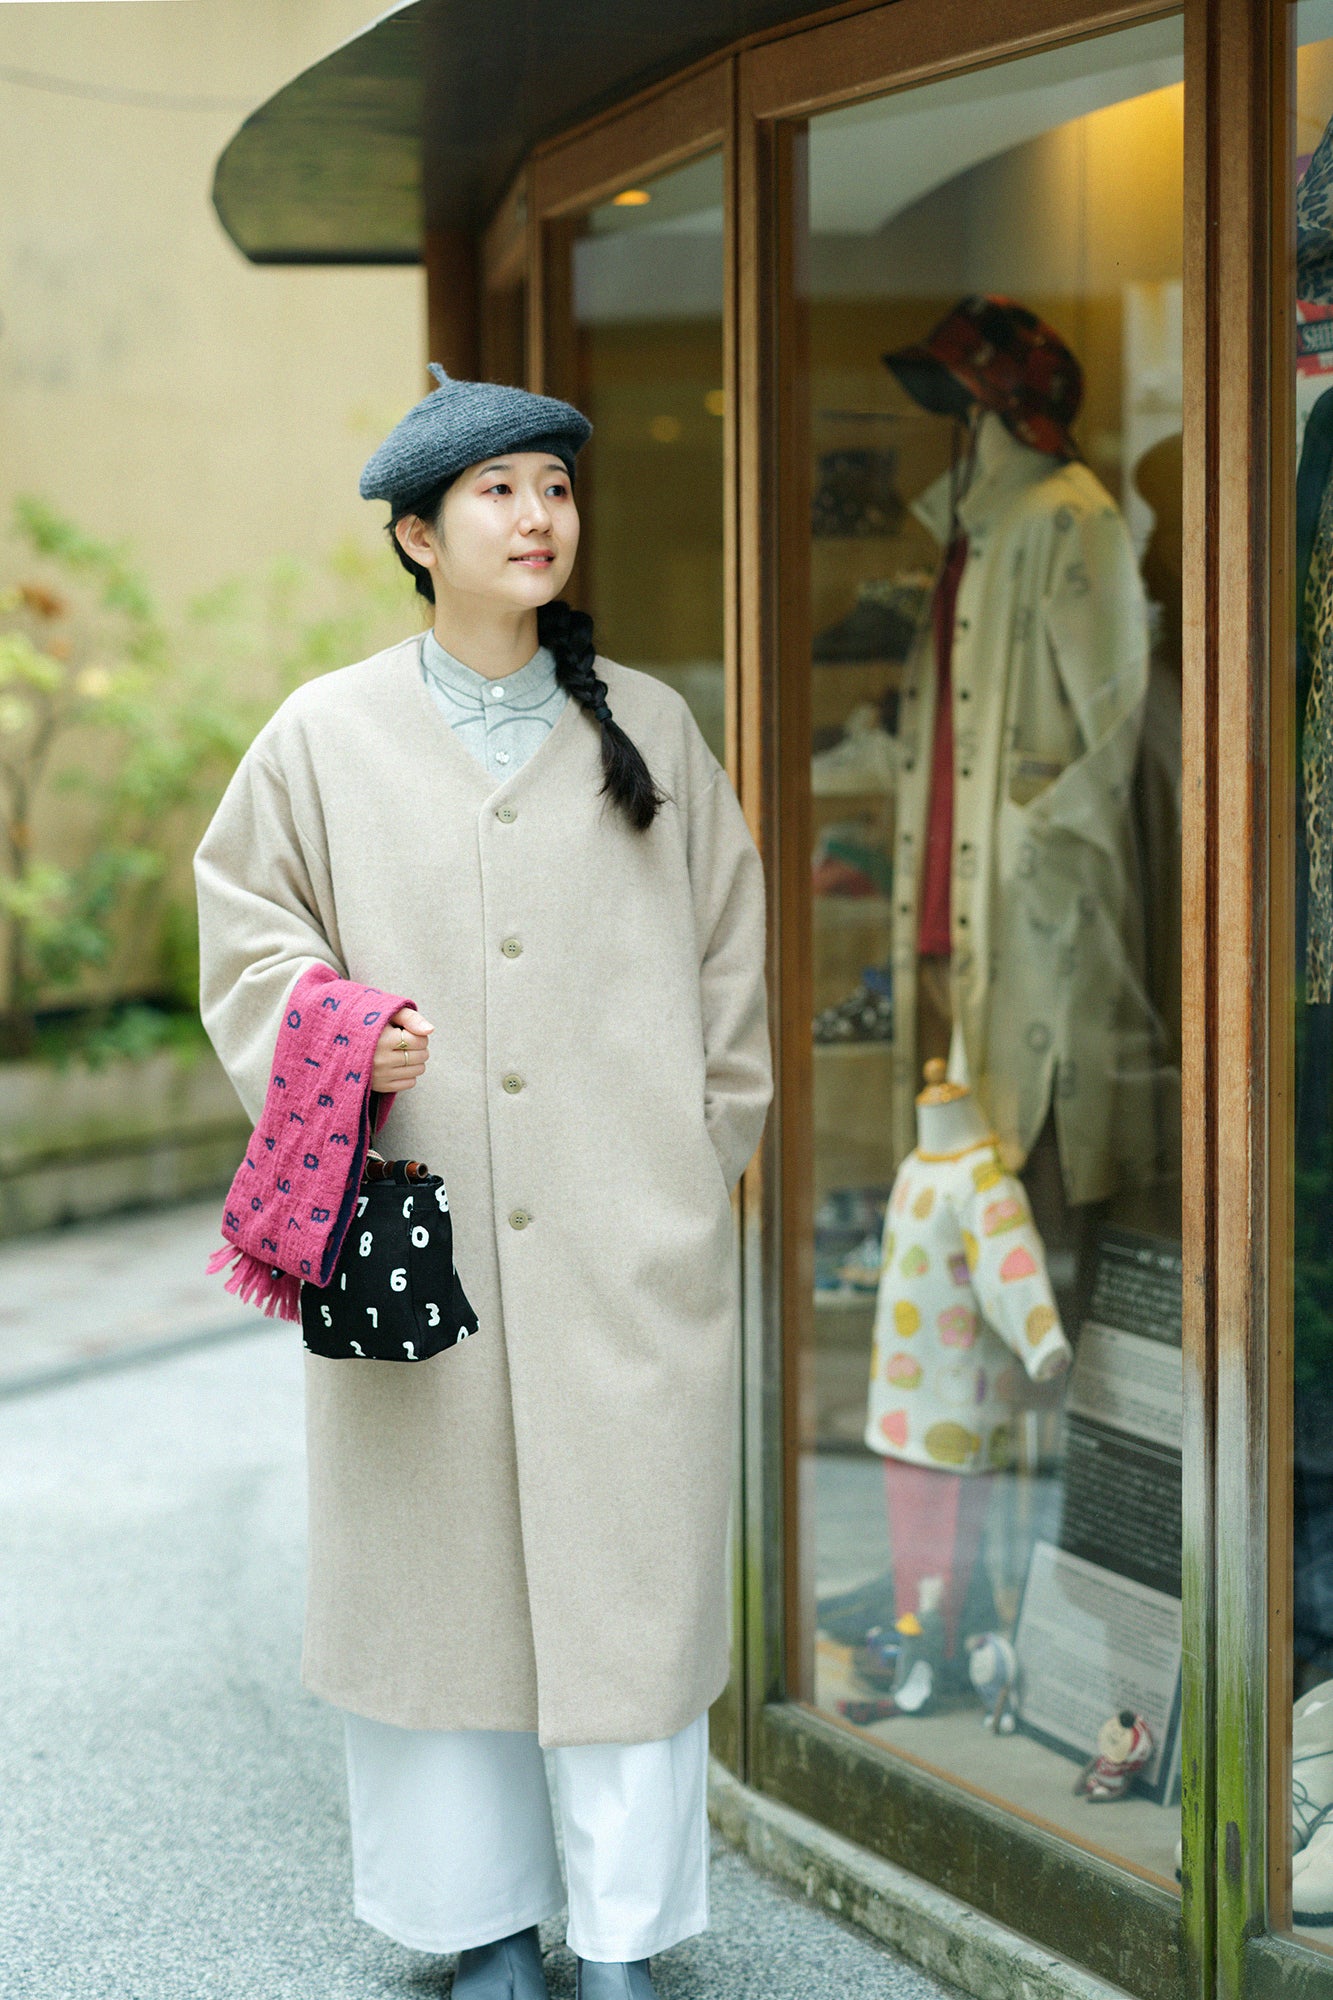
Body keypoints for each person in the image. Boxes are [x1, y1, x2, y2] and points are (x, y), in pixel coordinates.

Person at [193, 368, 773, 1999]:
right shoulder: (322, 735)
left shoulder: (647, 726)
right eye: (499, 492)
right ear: (415, 534)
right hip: (416, 1249)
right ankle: (476, 1928)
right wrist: (333, 1031)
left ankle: (621, 1934)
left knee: (629, 1595)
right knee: (436, 1600)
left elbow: (730, 968)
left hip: (620, 1246)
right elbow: (246, 930)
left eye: (556, 489)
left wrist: (690, 1160)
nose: (538, 518)